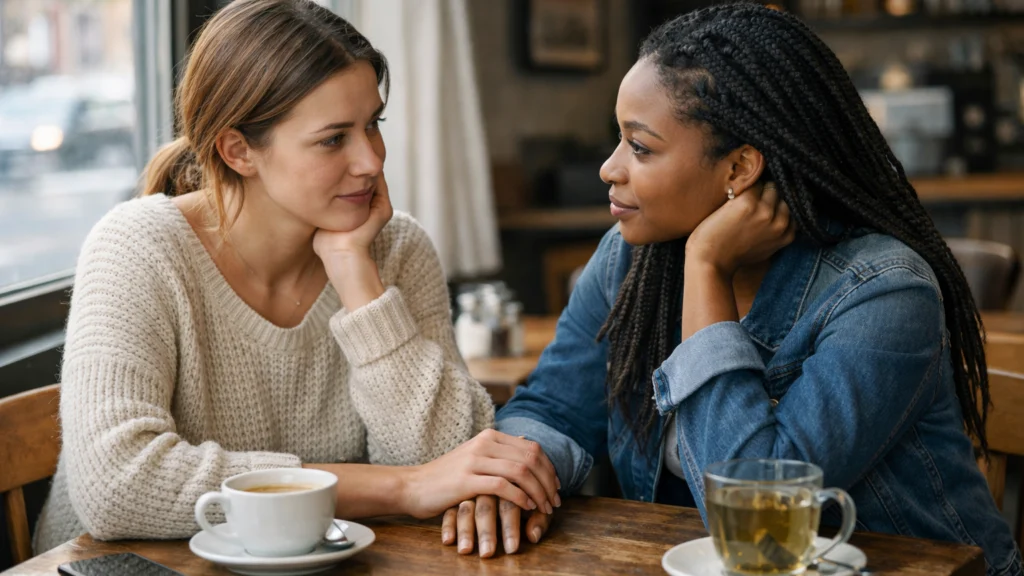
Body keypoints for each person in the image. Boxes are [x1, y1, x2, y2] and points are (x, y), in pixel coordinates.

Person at [444, 5, 1023, 574]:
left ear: (740, 169)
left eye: (640, 147)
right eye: (618, 140)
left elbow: (758, 502)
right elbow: (554, 408)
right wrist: (506, 479)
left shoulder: (883, 293)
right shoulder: (629, 259)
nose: (609, 168)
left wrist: (706, 268)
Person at [33, 0, 558, 554]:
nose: (372, 162)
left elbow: (451, 461)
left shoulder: (396, 248)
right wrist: (398, 488)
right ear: (238, 151)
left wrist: (359, 281)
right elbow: (117, 486)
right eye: (334, 138)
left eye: (373, 125)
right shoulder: (139, 247)